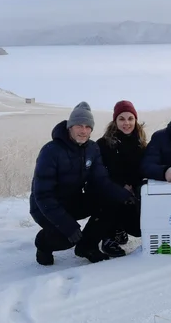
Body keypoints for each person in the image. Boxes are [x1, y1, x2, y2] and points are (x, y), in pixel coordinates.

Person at [29, 101, 135, 265]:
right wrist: (67, 224)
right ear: (70, 126)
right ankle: (43, 243)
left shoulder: (92, 149)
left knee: (108, 202)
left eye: (88, 126)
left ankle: (87, 246)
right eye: (79, 125)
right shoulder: (51, 151)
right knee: (67, 237)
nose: (83, 131)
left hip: (72, 200)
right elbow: (42, 195)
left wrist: (124, 196)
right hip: (44, 207)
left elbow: (101, 181)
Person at [96, 100, 147, 256]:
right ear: (115, 121)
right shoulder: (103, 144)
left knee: (139, 229)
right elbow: (100, 173)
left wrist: (135, 186)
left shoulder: (141, 143)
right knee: (110, 196)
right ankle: (107, 237)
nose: (127, 123)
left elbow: (142, 170)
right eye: (122, 119)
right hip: (110, 190)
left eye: (130, 119)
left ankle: (120, 228)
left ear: (135, 120)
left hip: (133, 191)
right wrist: (120, 185)